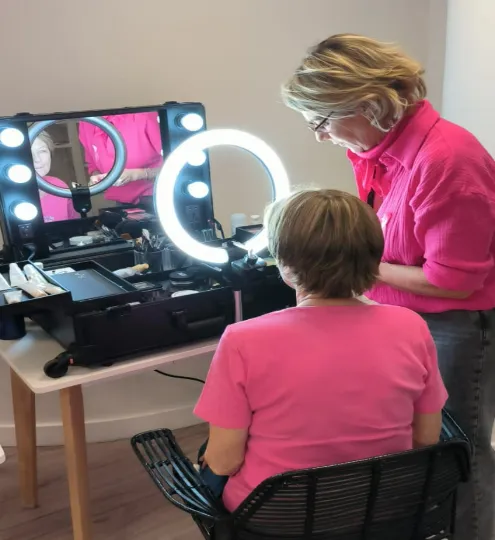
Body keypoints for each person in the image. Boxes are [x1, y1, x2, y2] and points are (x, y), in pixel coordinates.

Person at [281, 33, 495, 540]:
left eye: (320, 121)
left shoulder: (447, 160)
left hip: (456, 326)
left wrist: (354, 262)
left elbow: (453, 281)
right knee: (415, 445)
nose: (320, 137)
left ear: (368, 104)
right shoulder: (376, 151)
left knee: (457, 452)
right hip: (405, 320)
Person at [194, 189, 447, 511]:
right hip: (382, 508)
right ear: (373, 257)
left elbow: (225, 460)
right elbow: (426, 438)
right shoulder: (410, 326)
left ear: (284, 263)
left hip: (275, 517)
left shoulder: (242, 340)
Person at [78, 112, 163, 205]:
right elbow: (93, 165)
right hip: (123, 203)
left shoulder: (145, 116)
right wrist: (98, 179)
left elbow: (175, 166)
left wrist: (139, 174)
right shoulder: (87, 123)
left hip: (159, 196)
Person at [31, 132, 78, 222]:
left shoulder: (58, 185)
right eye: (28, 153)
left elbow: (73, 225)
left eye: (42, 151)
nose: (37, 159)